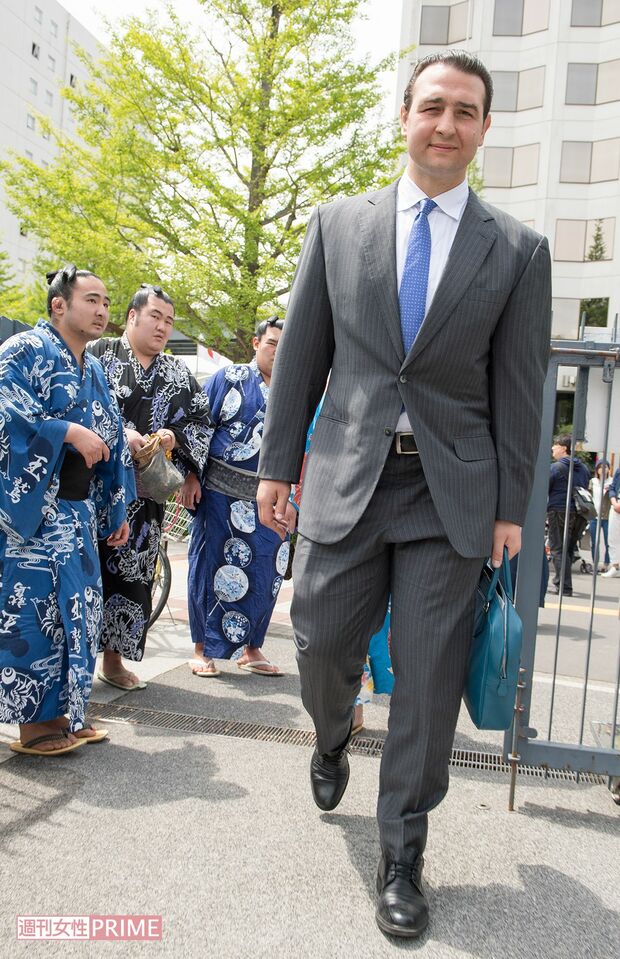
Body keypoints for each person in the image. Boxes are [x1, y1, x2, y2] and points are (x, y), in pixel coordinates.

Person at [257, 50, 552, 937]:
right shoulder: (337, 225)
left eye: (466, 111)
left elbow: (522, 391)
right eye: (433, 107)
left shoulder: (519, 250)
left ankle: (403, 853)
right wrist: (278, 464)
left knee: (427, 681)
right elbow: (303, 353)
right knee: (319, 639)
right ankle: (331, 727)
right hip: (347, 473)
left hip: (448, 490)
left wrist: (510, 509)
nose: (447, 124)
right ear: (405, 116)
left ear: (485, 129)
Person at [0, 265, 133, 755]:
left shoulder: (93, 368)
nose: (102, 311)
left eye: (105, 302)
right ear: (59, 305)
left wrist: (115, 509)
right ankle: (36, 726)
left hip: (75, 514)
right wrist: (64, 432)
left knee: (77, 614)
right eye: (92, 300)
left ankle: (69, 714)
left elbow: (114, 439)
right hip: (34, 516)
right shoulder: (22, 352)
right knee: (36, 616)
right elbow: (4, 416)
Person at [89, 284, 214, 690]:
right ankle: (70, 674)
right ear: (131, 316)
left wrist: (176, 439)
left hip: (143, 499)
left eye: (169, 321)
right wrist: (117, 433)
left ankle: (113, 662)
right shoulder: (96, 355)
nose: (162, 327)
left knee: (133, 580)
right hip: (89, 490)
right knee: (81, 577)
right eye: (155, 317)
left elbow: (201, 423)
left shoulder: (178, 373)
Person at [185, 317, 295, 677]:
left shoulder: (293, 390)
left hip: (272, 499)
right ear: (255, 343)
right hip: (220, 494)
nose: (279, 352)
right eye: (272, 343)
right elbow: (200, 428)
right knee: (210, 569)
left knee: (266, 570)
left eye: (285, 344)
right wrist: (191, 476)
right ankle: (202, 649)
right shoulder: (229, 378)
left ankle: (252, 648)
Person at [547, 435, 591, 596]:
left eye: (555, 445)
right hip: (580, 513)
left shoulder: (556, 468)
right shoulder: (584, 468)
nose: (552, 448)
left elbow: (546, 488)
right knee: (569, 549)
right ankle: (564, 584)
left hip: (559, 510)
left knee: (558, 549)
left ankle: (564, 587)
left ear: (564, 448)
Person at [589, 460, 611, 572]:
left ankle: (606, 564)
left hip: (607, 517)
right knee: (594, 542)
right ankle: (595, 563)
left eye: (605, 467)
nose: (603, 469)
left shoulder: (611, 482)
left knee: (608, 542)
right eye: (600, 467)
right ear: (597, 469)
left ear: (608, 469)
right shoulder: (592, 482)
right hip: (594, 516)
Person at [602, 464, 620, 577]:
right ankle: (615, 565)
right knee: (612, 537)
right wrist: (614, 503)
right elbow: (613, 487)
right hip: (616, 504)